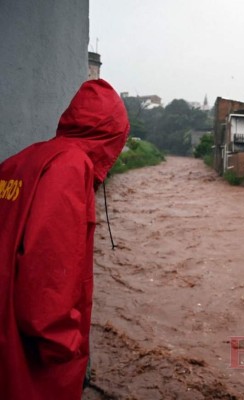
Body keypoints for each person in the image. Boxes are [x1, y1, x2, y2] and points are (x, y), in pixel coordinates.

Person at [0, 79, 129, 400]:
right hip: (30, 352)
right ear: (112, 135)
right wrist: (66, 347)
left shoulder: (21, 160)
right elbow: (46, 274)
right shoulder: (71, 168)